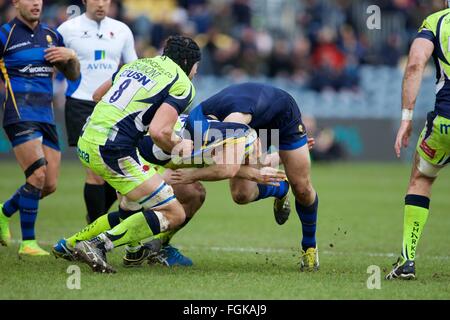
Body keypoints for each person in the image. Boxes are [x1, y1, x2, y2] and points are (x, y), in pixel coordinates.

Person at [53, 35, 201, 273]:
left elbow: (97, 96)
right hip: (113, 149)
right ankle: (98, 244)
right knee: (174, 213)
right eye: (196, 67)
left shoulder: (136, 64)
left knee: (129, 207)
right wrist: (178, 145)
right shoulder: (182, 82)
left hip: (88, 138)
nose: (195, 72)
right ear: (187, 62)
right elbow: (158, 132)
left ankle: (70, 245)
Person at [144, 82, 320, 272]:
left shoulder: (232, 126)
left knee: (302, 188)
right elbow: (216, 161)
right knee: (242, 195)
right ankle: (280, 188)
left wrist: (191, 175)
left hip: (282, 117)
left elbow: (226, 168)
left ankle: (309, 246)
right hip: (249, 121)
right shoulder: (197, 123)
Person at [0, 0, 80, 256]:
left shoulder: (51, 35)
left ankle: (3, 212)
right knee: (36, 175)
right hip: (19, 113)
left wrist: (71, 57)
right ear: (16, 3)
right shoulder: (5, 34)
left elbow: (73, 75)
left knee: (49, 185)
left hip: (46, 116)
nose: (36, 3)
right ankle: (28, 243)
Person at [57, 0, 138, 224]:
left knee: (116, 172)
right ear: (84, 1)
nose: (101, 4)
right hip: (80, 103)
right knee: (94, 170)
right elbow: (51, 64)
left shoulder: (122, 30)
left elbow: (133, 66)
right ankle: (96, 228)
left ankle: (95, 221)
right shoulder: (67, 29)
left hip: (112, 106)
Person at [386, 1, 450, 280]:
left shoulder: (436, 22)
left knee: (421, 178)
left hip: (445, 123)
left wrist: (406, 118)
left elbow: (414, 65)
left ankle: (407, 260)